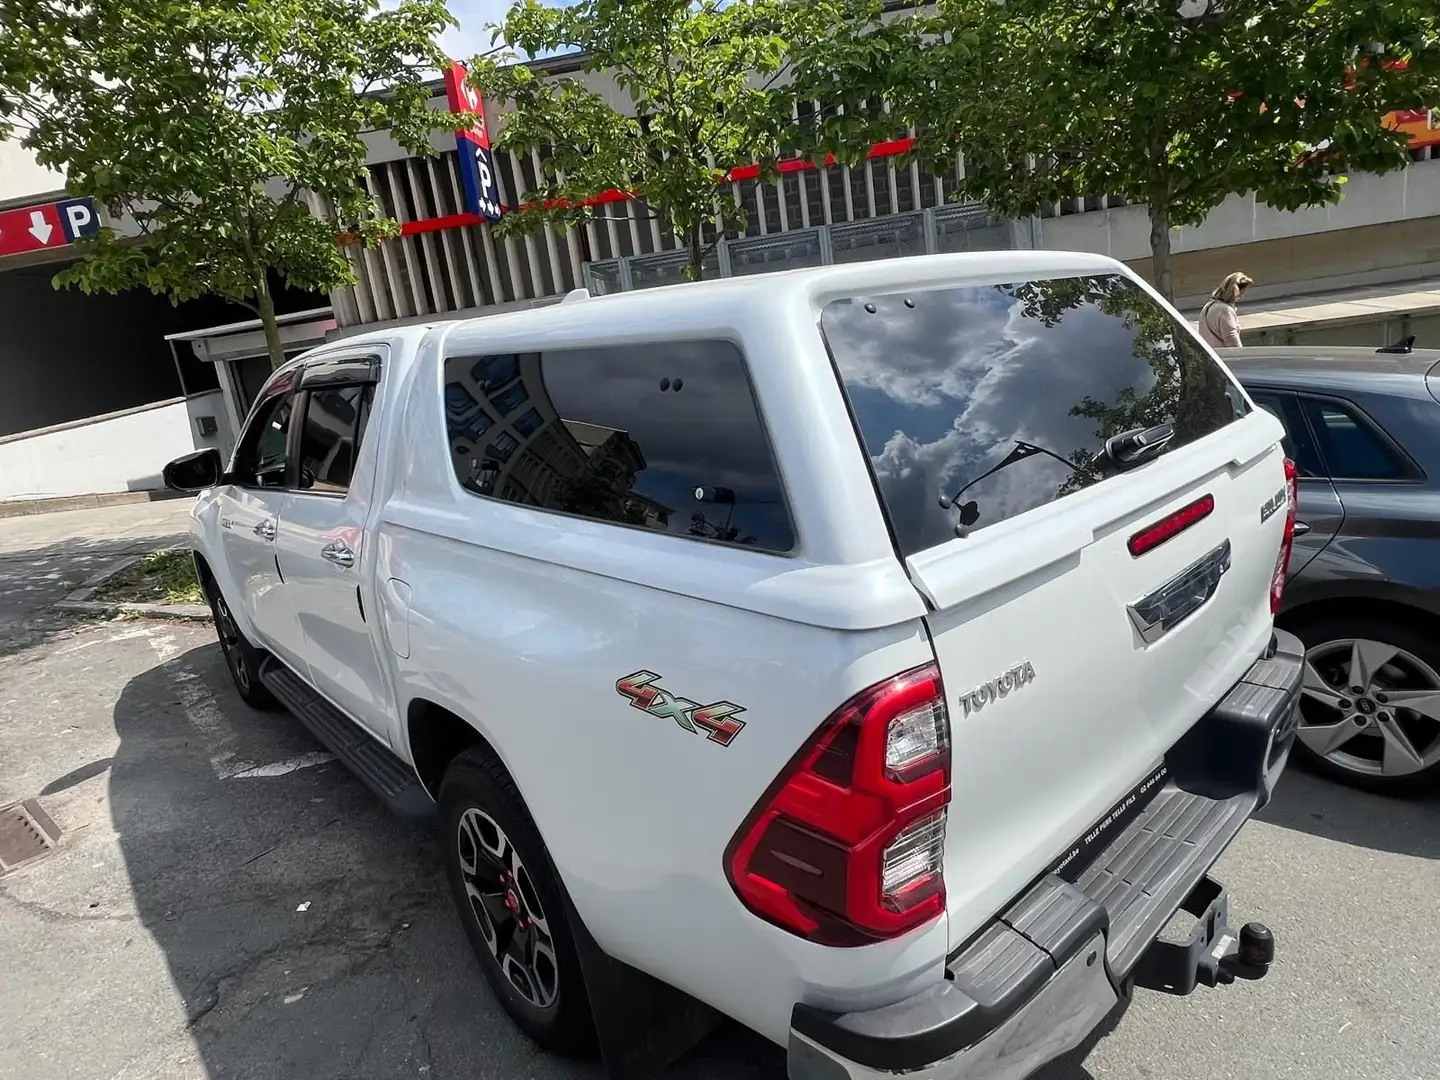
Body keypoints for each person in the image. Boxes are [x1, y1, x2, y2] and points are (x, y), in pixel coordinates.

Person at [1198, 271, 1252, 348]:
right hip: (1222, 354)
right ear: (1235, 291)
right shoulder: (1225, 311)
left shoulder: (1208, 306)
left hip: (1209, 352)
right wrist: (1241, 354)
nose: (1242, 296)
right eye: (1241, 293)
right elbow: (1232, 339)